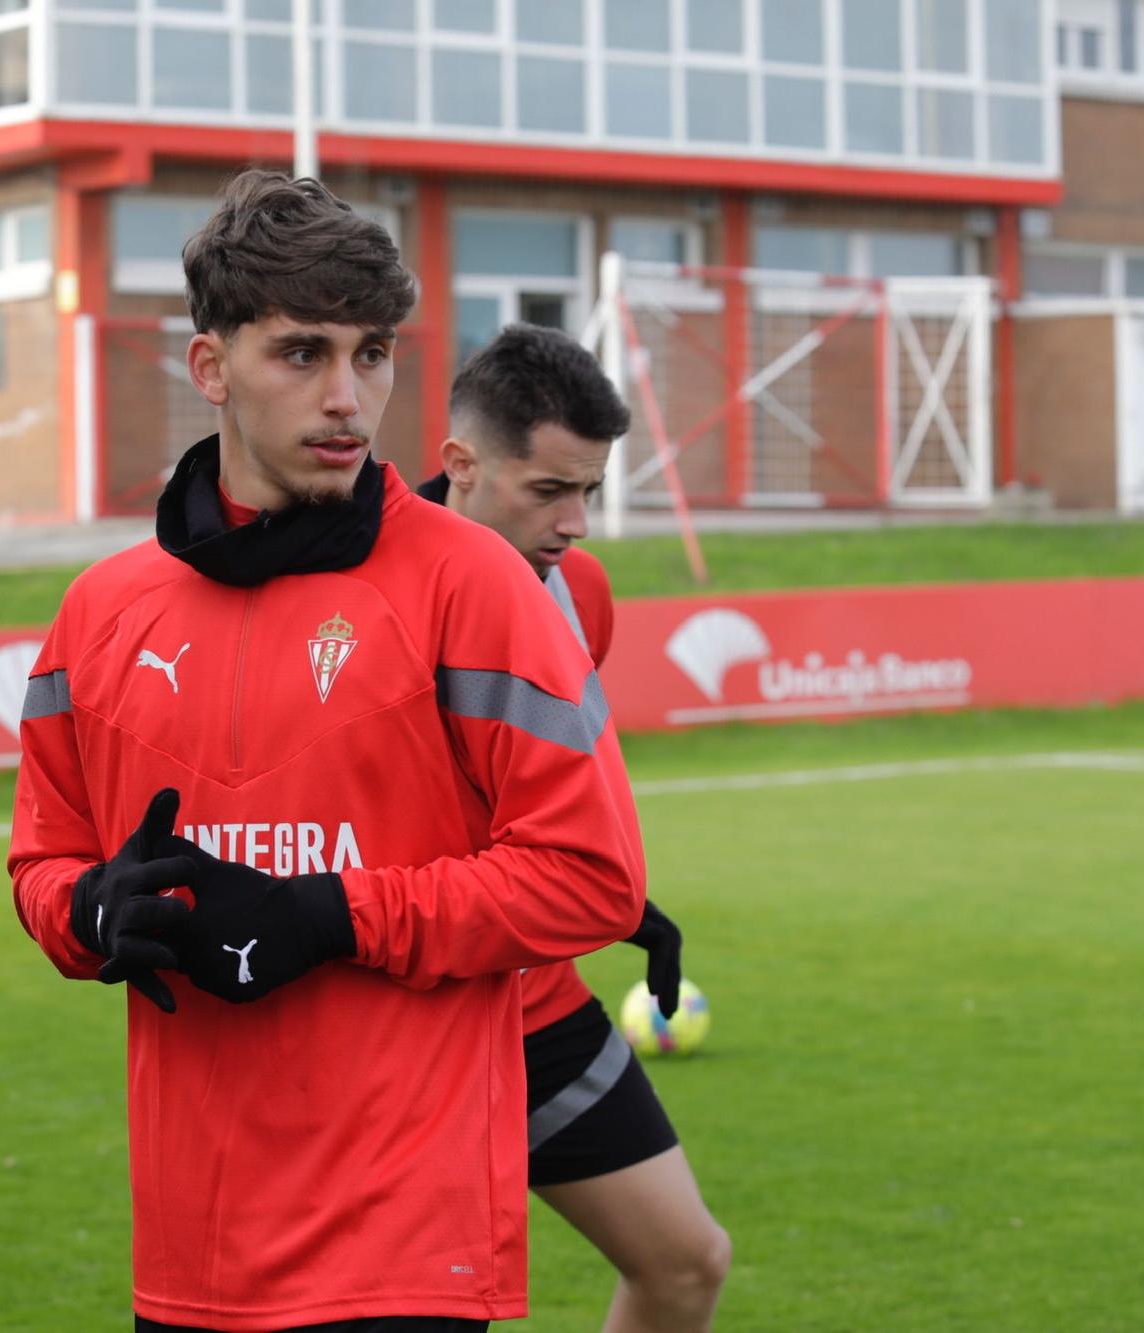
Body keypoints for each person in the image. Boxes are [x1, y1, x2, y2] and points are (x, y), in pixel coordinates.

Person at [8, 171, 647, 1333]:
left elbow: (590, 876)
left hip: (403, 1238)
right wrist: (95, 914)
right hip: (194, 1245)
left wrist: (334, 914)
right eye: (301, 354)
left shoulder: (475, 584)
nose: (348, 397)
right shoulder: (98, 615)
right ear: (211, 369)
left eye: (372, 353)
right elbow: (41, 867)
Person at [419, 325, 732, 1333]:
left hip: (528, 1002)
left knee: (685, 1262)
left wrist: (602, 891)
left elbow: (536, 795)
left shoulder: (580, 597)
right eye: (548, 491)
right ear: (460, 466)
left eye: (588, 490)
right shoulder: (358, 590)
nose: (576, 522)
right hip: (397, 1018)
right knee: (417, 1305)